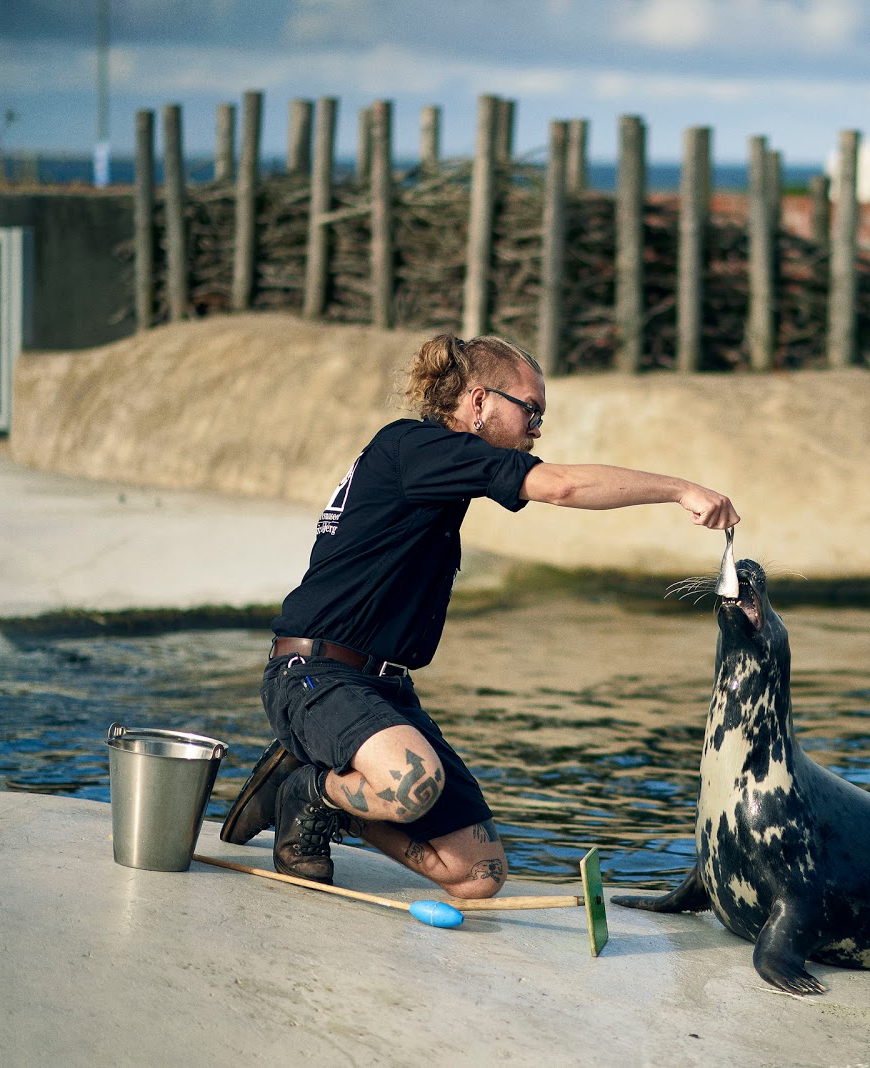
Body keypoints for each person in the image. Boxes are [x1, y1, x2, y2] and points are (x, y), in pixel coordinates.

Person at [219, 333, 739, 900]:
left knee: (477, 875)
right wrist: (680, 489)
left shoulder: (440, 472)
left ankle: (326, 792)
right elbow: (560, 485)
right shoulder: (415, 447)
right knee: (409, 782)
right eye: (530, 409)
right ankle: (312, 790)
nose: (536, 428)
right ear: (476, 401)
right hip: (313, 674)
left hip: (384, 689)